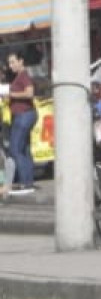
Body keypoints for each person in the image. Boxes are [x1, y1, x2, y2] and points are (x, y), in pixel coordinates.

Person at [6, 50, 36, 195]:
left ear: (21, 61)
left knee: (15, 148)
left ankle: (26, 183)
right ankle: (28, 181)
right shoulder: (19, 76)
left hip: (24, 115)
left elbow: (30, 93)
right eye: (9, 62)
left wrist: (11, 94)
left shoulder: (23, 75)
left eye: (13, 62)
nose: (10, 65)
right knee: (24, 149)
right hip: (22, 115)